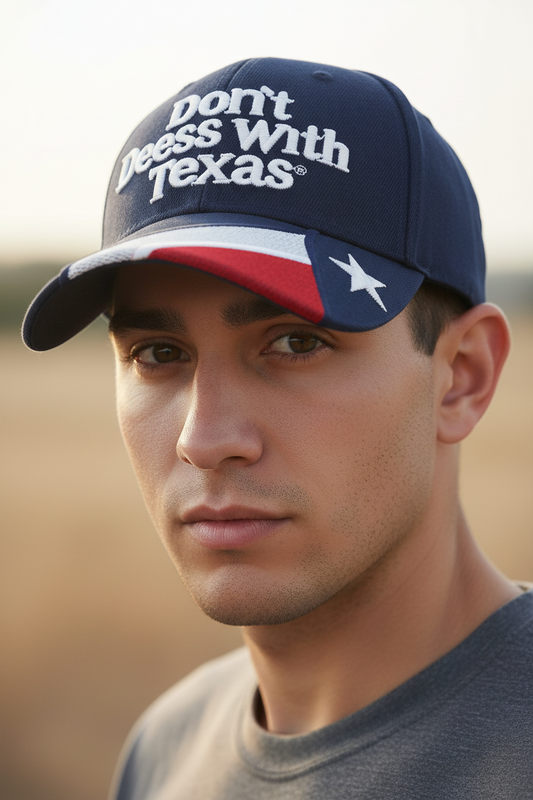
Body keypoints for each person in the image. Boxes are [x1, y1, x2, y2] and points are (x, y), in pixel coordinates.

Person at [23, 58, 533, 798]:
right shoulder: (166, 748)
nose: (204, 438)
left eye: (295, 343)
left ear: (462, 376)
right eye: (158, 353)